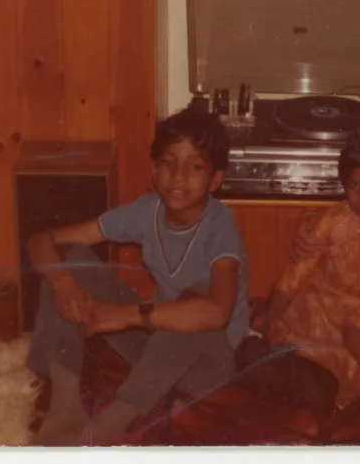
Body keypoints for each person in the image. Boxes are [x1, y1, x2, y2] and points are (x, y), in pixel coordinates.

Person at [25, 108, 249, 446]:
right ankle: (65, 408)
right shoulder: (147, 210)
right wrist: (63, 283)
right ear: (153, 172)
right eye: (168, 163)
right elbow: (42, 242)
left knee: (197, 299)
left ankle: (111, 421)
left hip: (206, 362)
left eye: (196, 166)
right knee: (67, 261)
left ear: (215, 179)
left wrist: (123, 316)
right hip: (155, 345)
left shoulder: (221, 228)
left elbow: (217, 312)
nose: (178, 176)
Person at [252, 119, 360, 431]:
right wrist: (275, 315)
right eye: (354, 186)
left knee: (321, 391)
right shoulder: (332, 219)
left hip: (359, 340)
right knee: (264, 361)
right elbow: (294, 276)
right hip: (306, 326)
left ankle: (310, 396)